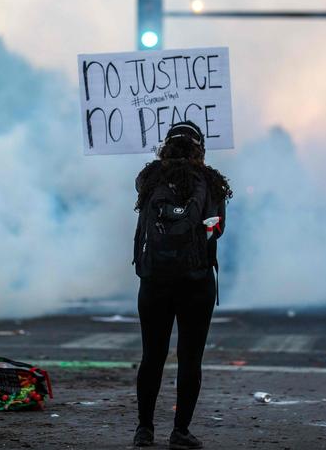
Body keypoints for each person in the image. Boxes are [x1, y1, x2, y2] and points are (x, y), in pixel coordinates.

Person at [132, 121, 232, 449]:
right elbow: (215, 230)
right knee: (190, 359)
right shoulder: (211, 182)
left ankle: (144, 430)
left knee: (152, 357)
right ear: (200, 149)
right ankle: (180, 432)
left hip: (154, 282)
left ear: (166, 146)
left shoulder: (149, 179)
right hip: (195, 282)